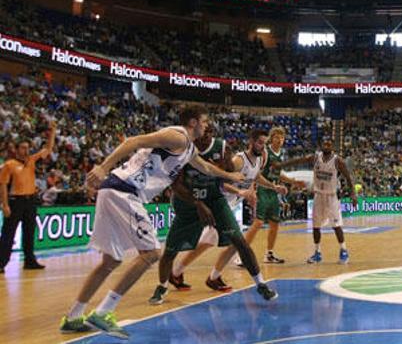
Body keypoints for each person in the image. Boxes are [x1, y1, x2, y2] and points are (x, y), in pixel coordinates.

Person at [59, 105, 246, 339]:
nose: (207, 125)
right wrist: (103, 166)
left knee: (111, 261)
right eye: (204, 120)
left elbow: (207, 167)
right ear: (193, 122)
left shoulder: (188, 149)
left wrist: (232, 177)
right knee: (151, 253)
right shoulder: (177, 135)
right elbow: (134, 141)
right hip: (123, 190)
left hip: (115, 191)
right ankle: (103, 312)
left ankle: (73, 317)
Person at [148, 126, 280, 305]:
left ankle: (260, 284)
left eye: (210, 132)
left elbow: (234, 177)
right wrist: (239, 193)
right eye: (203, 129)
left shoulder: (227, 150)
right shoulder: (185, 150)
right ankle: (165, 284)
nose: (206, 135)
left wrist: (256, 189)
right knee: (173, 249)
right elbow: (178, 185)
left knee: (238, 242)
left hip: (217, 202)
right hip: (191, 203)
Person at [205, 129, 288, 286]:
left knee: (207, 243)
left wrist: (274, 187)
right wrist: (240, 191)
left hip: (232, 203)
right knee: (235, 243)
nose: (262, 146)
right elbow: (222, 182)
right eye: (259, 142)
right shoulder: (238, 161)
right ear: (251, 142)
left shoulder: (259, 159)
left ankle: (186, 273)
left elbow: (256, 177)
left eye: (264, 143)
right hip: (221, 202)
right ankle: (212, 277)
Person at [281, 138, 357, 264]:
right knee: (316, 226)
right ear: (321, 145)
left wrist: (353, 194)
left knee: (336, 226)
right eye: (324, 143)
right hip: (318, 196)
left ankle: (344, 250)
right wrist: (281, 166)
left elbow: (348, 178)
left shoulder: (338, 161)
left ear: (333, 146)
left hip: (332, 197)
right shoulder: (315, 157)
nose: (326, 145)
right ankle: (317, 253)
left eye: (329, 144)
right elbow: (298, 160)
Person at [0, 120, 55, 273]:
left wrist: (52, 133)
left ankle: (30, 260)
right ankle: (1, 262)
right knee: (8, 233)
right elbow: (3, 185)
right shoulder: (9, 164)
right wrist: (4, 205)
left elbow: (48, 149)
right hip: (15, 201)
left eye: (27, 147)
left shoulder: (31, 160)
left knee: (29, 232)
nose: (26, 150)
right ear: (16, 150)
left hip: (30, 200)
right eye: (23, 148)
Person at [253, 127, 303, 264]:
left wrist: (293, 181)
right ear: (271, 138)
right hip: (262, 189)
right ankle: (241, 254)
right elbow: (255, 172)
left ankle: (269, 254)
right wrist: (252, 190)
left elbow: (278, 174)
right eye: (277, 137)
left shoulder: (280, 154)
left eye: (282, 138)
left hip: (273, 191)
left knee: (275, 224)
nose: (280, 140)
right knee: (257, 223)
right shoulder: (265, 152)